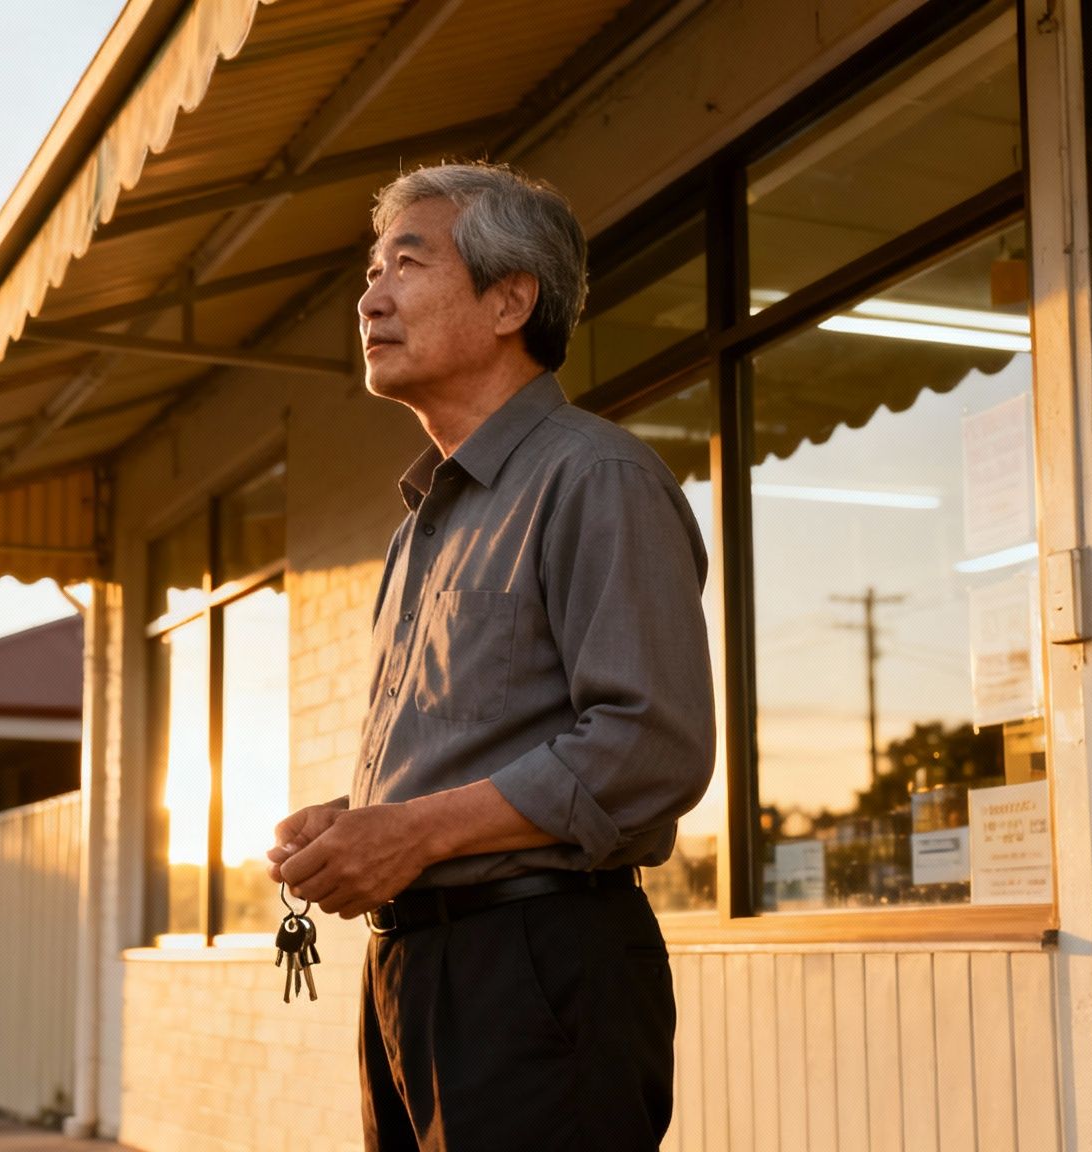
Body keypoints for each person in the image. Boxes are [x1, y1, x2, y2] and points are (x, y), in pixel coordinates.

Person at [267, 162, 716, 1151]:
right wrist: (357, 822)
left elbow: (651, 746)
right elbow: (478, 749)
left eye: (407, 261)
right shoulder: (419, 526)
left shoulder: (593, 475)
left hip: (539, 967)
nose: (369, 296)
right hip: (409, 973)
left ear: (511, 298)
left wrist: (415, 830)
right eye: (369, 270)